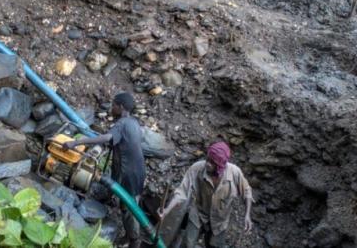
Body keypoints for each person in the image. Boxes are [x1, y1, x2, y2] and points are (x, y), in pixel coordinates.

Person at [63, 92, 146, 248]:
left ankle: (135, 240)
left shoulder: (122, 124)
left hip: (129, 173)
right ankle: (129, 236)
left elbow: (108, 138)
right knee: (126, 204)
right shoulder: (132, 122)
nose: (111, 108)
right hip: (134, 170)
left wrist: (75, 143)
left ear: (121, 107)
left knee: (129, 207)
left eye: (113, 105)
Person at [158, 141, 253, 248]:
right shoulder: (197, 168)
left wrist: (247, 215)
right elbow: (181, 192)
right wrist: (166, 211)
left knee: (214, 246)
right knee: (187, 244)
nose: (207, 163)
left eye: (212, 162)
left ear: (219, 165)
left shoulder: (234, 173)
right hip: (198, 214)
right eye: (207, 159)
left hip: (219, 221)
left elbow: (247, 192)